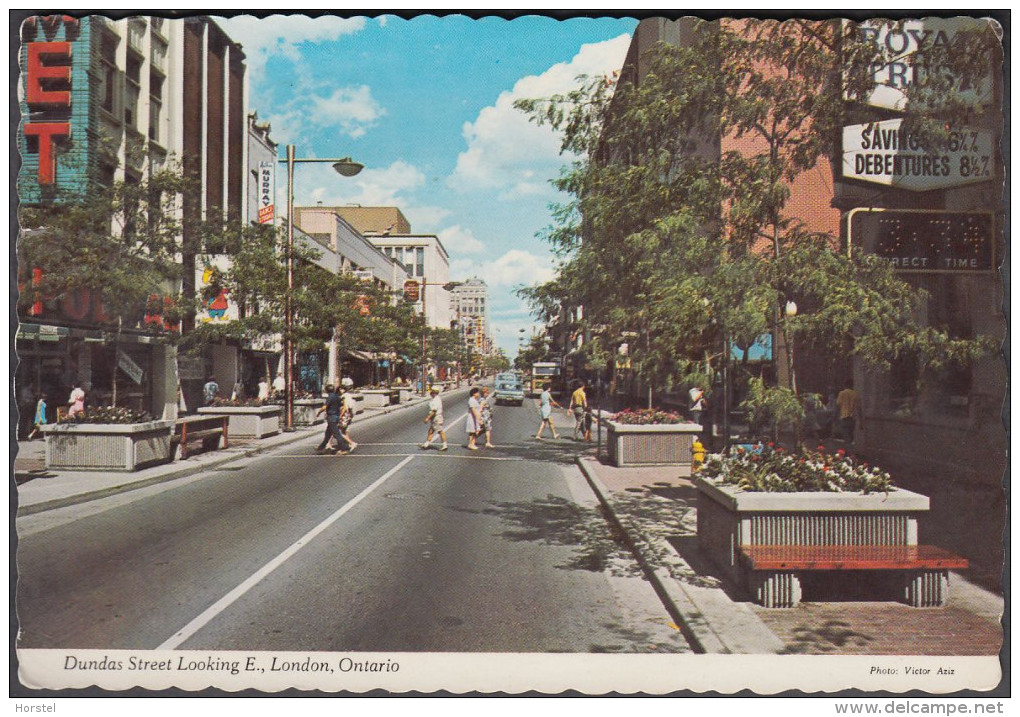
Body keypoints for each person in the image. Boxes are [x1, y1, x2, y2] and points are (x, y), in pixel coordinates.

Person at [315, 385, 352, 454]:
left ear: (326, 390)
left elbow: (325, 407)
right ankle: (321, 447)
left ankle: (344, 448)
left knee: (337, 434)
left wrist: (319, 412)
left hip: (331, 417)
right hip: (336, 416)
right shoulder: (337, 397)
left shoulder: (330, 397)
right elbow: (342, 405)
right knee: (328, 434)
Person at [420, 386, 448, 451]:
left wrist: (427, 418)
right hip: (435, 418)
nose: (430, 393)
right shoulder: (435, 399)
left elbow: (434, 410)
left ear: (434, 392)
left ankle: (445, 445)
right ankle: (426, 444)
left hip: (436, 417)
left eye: (431, 392)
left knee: (440, 431)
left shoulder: (436, 400)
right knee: (431, 431)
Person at [836, 379, 863, 444]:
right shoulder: (856, 394)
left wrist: (835, 417)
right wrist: (861, 422)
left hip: (844, 417)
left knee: (846, 436)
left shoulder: (842, 393)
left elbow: (838, 405)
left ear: (845, 385)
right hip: (853, 418)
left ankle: (848, 451)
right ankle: (851, 450)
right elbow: (859, 408)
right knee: (851, 435)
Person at [338, 384, 358, 450]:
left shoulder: (344, 397)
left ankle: (352, 443)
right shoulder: (349, 395)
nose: (341, 390)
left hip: (344, 415)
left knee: (338, 431)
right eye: (340, 389)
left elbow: (345, 407)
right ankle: (347, 444)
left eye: (342, 389)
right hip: (349, 414)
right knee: (345, 430)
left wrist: (340, 416)